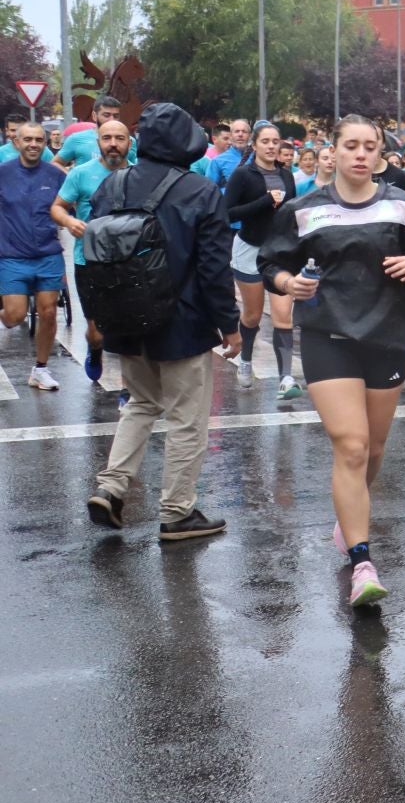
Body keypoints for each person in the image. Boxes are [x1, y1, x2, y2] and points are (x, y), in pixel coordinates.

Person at [259, 114, 405, 608]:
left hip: (387, 334)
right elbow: (271, 262)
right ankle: (362, 561)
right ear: (335, 152)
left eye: (370, 146)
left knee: (375, 448)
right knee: (353, 446)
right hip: (329, 334)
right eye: (351, 146)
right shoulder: (305, 209)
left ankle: (348, 518)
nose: (361, 154)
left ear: (381, 154)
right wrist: (286, 283)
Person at [85, 103, 240, 541]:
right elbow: (213, 269)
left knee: (140, 403)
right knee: (187, 419)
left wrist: (98, 316)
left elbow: (93, 257)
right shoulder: (200, 191)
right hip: (182, 322)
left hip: (124, 318)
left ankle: (111, 488)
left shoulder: (111, 185)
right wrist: (230, 325)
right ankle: (177, 512)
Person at [51, 118, 134, 385]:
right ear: (98, 142)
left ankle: (128, 389)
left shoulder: (138, 175)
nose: (113, 144)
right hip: (88, 261)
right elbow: (57, 207)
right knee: (97, 332)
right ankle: (95, 350)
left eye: (119, 139)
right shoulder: (81, 173)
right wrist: (69, 221)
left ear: (128, 143)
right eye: (107, 138)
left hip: (129, 261)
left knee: (127, 328)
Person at [225, 123, 300, 397]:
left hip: (279, 252)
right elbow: (228, 213)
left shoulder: (287, 176)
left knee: (283, 315)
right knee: (253, 314)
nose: (271, 146)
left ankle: (286, 378)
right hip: (249, 249)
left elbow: (292, 212)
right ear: (254, 145)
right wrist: (265, 201)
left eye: (275, 141)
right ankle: (245, 360)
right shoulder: (243, 176)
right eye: (265, 141)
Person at [0, 122, 68, 390]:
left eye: (39, 140)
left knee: (49, 312)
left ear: (45, 144)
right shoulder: (3, 174)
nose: (33, 144)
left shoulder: (56, 176)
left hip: (48, 254)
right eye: (27, 139)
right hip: (12, 255)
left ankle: (40, 369)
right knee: (15, 316)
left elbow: (68, 206)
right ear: (16, 142)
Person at [54, 96, 137, 170]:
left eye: (116, 116)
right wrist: (71, 177)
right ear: (94, 116)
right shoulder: (76, 139)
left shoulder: (129, 141)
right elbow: (55, 163)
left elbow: (135, 168)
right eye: (106, 115)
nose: (112, 119)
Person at [207, 117, 251, 189]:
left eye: (244, 131)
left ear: (250, 136)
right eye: (237, 131)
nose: (240, 134)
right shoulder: (217, 161)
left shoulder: (258, 158)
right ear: (230, 136)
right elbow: (210, 189)